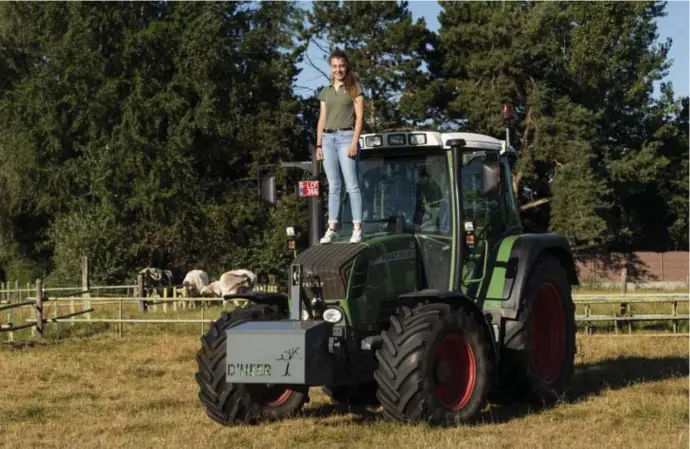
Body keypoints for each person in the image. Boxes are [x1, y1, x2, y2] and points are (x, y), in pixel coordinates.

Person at [315, 49, 365, 244]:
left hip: (346, 137)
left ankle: (357, 228)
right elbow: (322, 118)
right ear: (331, 68)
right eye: (335, 66)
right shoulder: (326, 91)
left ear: (346, 66)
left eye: (341, 66)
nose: (338, 70)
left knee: (352, 185)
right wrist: (319, 144)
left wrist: (354, 142)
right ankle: (332, 227)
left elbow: (360, 117)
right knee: (334, 186)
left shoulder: (354, 88)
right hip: (328, 140)